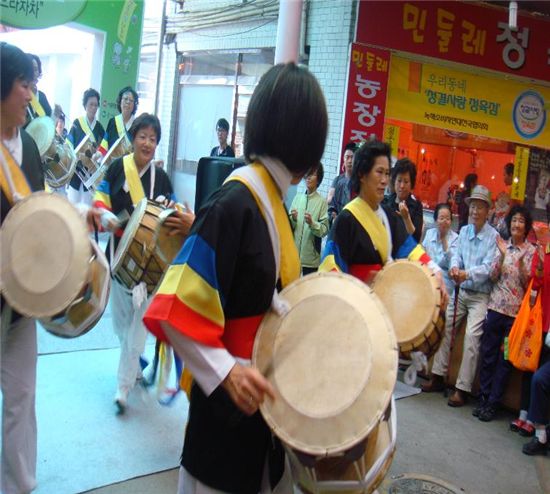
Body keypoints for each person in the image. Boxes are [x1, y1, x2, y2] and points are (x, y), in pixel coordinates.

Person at [143, 63, 328, 494]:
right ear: (302, 141)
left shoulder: (270, 199)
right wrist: (226, 372)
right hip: (226, 413)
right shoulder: (237, 200)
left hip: (257, 408)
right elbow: (175, 308)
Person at [93, 113, 194, 414]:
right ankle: (135, 365)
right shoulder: (116, 169)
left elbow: (174, 209)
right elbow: (99, 198)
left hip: (150, 264)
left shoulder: (160, 178)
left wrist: (174, 210)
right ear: (132, 138)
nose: (148, 143)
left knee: (138, 323)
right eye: (143, 136)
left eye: (153, 138)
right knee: (121, 323)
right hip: (119, 255)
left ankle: (122, 388)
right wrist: (104, 214)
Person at [319, 140, 447, 313]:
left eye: (387, 173)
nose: (385, 180)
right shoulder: (346, 219)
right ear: (362, 174)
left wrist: (435, 271)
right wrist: (360, 285)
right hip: (356, 311)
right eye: (379, 172)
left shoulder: (388, 216)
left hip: (384, 307)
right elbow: (329, 266)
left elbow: (410, 249)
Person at [1, 41, 45, 494]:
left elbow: (42, 214)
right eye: (24, 84)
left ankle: (19, 486)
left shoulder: (30, 146)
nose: (31, 94)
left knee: (22, 398)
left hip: (21, 301)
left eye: (33, 84)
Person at [422, 185, 498, 407]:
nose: (475, 211)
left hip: (480, 296)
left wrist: (466, 274)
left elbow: (488, 268)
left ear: (487, 210)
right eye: (473, 206)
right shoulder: (464, 231)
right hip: (461, 290)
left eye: (480, 207)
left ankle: (461, 388)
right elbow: (455, 256)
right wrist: (455, 269)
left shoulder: (493, 237)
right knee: (445, 328)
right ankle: (437, 376)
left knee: (472, 339)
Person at [474, 205, 536, 422]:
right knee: (488, 354)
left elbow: (528, 282)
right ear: (509, 224)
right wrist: (501, 257)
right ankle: (482, 398)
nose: (516, 225)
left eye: (521, 221)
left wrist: (518, 264)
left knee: (505, 359)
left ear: (526, 227)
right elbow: (492, 276)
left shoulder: (530, 251)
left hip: (515, 317)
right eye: (514, 221)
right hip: (495, 310)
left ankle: (493, 403)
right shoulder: (502, 245)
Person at [522, 243, 550, 456]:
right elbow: (537, 282)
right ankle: (538, 430)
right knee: (537, 378)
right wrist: (538, 266)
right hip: (543, 324)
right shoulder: (546, 251)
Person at [289, 162, 329, 275]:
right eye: (307, 173)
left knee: (308, 291)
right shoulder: (297, 198)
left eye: (312, 174)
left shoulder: (322, 202)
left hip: (311, 260)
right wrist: (293, 219)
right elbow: (289, 225)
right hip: (294, 257)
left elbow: (324, 229)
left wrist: (312, 223)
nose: (308, 176)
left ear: (319, 179)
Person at [68, 88, 106, 205]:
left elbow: (103, 148)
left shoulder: (99, 128)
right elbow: (69, 143)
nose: (94, 108)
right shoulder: (77, 123)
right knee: (73, 208)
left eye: (96, 105)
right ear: (85, 106)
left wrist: (98, 156)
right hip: (76, 171)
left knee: (87, 209)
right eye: (91, 104)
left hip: (91, 174)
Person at [383, 157, 424, 243]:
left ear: (411, 184)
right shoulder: (386, 202)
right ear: (394, 181)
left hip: (405, 253)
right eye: (399, 180)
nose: (402, 185)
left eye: (406, 182)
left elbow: (415, 239)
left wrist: (406, 218)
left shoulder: (416, 206)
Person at [422, 203, 459, 297]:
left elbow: (452, 263)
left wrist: (444, 241)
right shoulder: (430, 233)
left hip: (445, 281)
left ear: (451, 221)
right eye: (441, 218)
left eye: (447, 219)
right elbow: (423, 255)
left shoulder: (456, 238)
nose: (444, 221)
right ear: (435, 220)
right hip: (427, 276)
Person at [97, 86, 138, 157]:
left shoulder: (137, 125)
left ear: (134, 105)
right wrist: (97, 155)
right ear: (120, 101)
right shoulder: (112, 122)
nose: (128, 102)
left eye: (131, 100)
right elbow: (104, 144)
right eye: (125, 99)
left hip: (129, 166)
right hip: (113, 165)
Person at [327, 142, 356, 223]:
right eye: (347, 157)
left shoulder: (360, 182)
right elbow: (330, 201)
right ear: (343, 158)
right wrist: (334, 216)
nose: (349, 161)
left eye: (352, 157)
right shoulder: (337, 180)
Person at [24, 53, 52, 125]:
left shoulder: (42, 96)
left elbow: (48, 124)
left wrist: (56, 115)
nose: (34, 73)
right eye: (30, 70)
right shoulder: (20, 95)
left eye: (36, 69)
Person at [489, 162, 515, 238]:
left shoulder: (512, 189)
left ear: (511, 175)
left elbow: (511, 208)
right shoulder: (511, 189)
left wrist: (503, 217)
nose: (504, 178)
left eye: (504, 175)